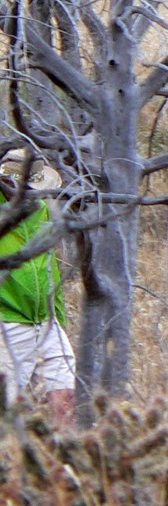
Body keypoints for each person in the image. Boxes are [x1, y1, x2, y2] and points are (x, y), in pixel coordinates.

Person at [0, 153, 74, 427]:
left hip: (46, 321)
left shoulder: (42, 210)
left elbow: (48, 266)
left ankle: (62, 459)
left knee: (65, 394)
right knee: (6, 411)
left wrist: (59, 319)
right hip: (7, 323)